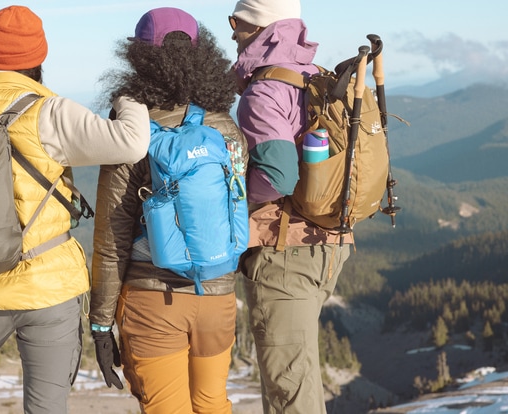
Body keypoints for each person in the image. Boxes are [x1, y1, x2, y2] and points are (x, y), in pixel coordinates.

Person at [0, 5, 151, 414]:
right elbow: (133, 142)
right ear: (38, 58)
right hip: (48, 286)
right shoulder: (50, 112)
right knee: (46, 407)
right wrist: (129, 93)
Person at [89, 7, 247, 414]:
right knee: (212, 405)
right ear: (202, 56)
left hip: (153, 302)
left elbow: (112, 238)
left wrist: (101, 323)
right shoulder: (224, 127)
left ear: (139, 58)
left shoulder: (131, 133)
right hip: (217, 296)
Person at [229, 0, 353, 413]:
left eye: (237, 21)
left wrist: (235, 205)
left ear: (260, 26)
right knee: (297, 383)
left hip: (286, 255)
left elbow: (279, 175)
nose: (232, 32)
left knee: (290, 393)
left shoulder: (264, 91)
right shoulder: (316, 77)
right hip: (331, 243)